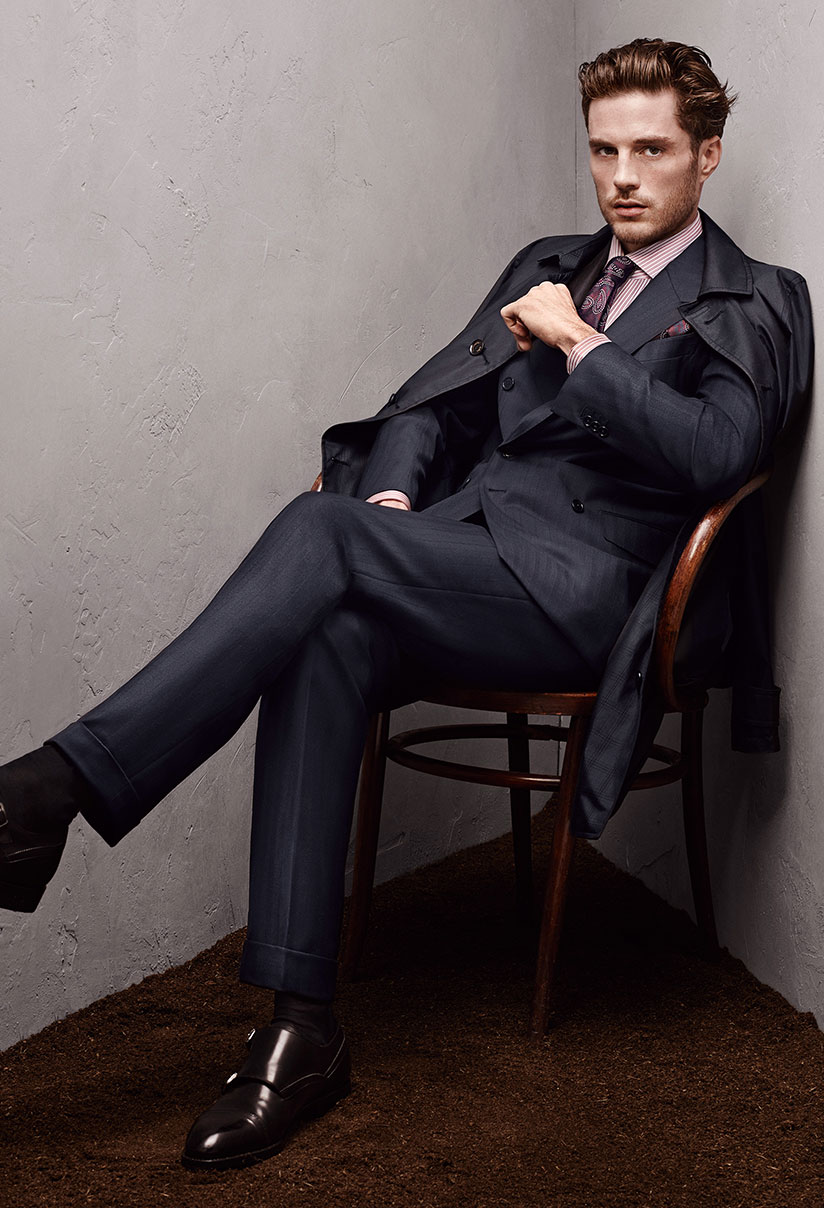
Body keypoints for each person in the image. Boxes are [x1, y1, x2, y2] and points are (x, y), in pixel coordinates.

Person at [0, 38, 812, 1171]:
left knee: (319, 537)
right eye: (602, 151)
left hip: (595, 597)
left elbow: (721, 451)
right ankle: (300, 1027)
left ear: (707, 154)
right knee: (327, 622)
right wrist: (391, 493)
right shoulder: (549, 261)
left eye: (651, 150)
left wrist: (579, 342)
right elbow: (434, 400)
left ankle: (48, 790)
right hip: (462, 556)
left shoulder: (754, 295)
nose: (622, 177)